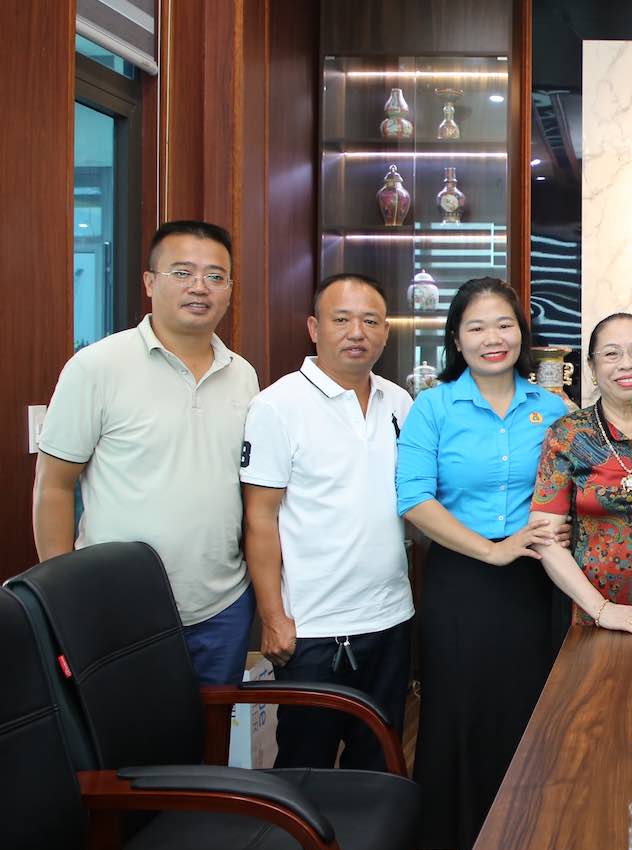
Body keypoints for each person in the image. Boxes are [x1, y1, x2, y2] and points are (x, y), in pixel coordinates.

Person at [395, 278, 632, 850]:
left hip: (541, 583)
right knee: (459, 712)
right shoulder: (433, 407)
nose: (493, 338)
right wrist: (494, 548)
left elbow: (601, 487)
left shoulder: (552, 407)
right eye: (477, 327)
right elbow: (412, 499)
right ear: (456, 339)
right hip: (463, 580)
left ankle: (535, 829)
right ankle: (457, 837)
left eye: (504, 324)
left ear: (522, 332)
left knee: (537, 710)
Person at [33, 220, 260, 685]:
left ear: (231, 289)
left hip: (221, 606)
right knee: (127, 748)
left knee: (207, 748)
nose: (200, 287)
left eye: (216, 276)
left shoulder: (243, 375)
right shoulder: (97, 366)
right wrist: (60, 599)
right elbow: (54, 486)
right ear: (149, 282)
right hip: (116, 607)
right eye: (182, 272)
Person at [240, 273, 414, 772]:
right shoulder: (277, 405)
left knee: (380, 763)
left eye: (370, 321)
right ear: (314, 328)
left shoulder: (398, 401)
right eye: (341, 320)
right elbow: (260, 517)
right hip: (314, 629)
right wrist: (273, 619)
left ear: (385, 332)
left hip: (390, 618)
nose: (356, 332)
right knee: (305, 769)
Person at [530, 313, 632, 627]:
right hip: (586, 615)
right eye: (611, 354)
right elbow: (543, 536)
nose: (626, 364)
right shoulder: (568, 434)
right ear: (591, 367)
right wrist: (602, 610)